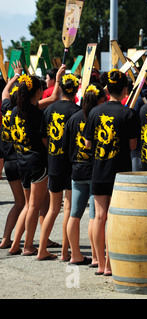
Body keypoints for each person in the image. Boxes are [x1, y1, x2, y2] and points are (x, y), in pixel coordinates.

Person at [83, 69, 140, 275]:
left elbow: (88, 143)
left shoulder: (95, 112)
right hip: (121, 173)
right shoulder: (129, 113)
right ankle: (109, 264)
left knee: (99, 217)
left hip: (99, 169)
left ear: (107, 89)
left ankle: (99, 263)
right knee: (114, 218)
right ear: (125, 89)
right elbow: (133, 146)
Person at [8, 70, 62, 256]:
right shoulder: (38, 114)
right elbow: (45, 142)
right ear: (38, 93)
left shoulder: (15, 111)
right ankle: (28, 246)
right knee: (33, 206)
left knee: (28, 205)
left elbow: (51, 98)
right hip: (37, 163)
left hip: (21, 161)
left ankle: (16, 244)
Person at [37, 73, 81, 261]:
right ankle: (65, 252)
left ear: (61, 88)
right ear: (77, 90)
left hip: (53, 161)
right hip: (70, 164)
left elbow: (44, 137)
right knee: (68, 208)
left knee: (53, 209)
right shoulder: (78, 112)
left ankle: (41, 249)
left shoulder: (49, 109)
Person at [65, 83, 107, 267]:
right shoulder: (99, 118)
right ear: (98, 100)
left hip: (77, 169)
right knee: (93, 216)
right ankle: (97, 257)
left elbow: (66, 146)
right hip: (94, 169)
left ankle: (75, 254)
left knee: (74, 214)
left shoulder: (73, 119)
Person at [0, 64, 25, 249]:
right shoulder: (25, 113)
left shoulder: (6, 109)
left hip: (8, 163)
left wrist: (15, 77)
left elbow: (4, 93)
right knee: (31, 205)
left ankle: (6, 238)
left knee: (19, 203)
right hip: (23, 162)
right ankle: (19, 241)